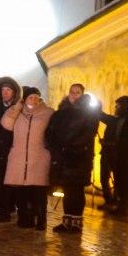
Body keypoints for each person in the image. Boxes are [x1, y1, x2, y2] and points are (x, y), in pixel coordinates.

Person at [46, 92, 100, 233]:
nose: (74, 96)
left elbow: (88, 134)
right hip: (64, 157)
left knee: (76, 190)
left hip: (79, 158)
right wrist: (56, 147)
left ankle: (76, 222)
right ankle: (67, 221)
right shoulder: (60, 114)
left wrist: (70, 146)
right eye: (72, 92)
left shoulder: (90, 115)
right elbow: (51, 132)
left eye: (78, 93)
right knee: (68, 190)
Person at [1, 86, 54, 230]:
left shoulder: (48, 113)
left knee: (39, 191)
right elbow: (6, 123)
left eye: (37, 97)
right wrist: (18, 106)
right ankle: (25, 218)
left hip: (39, 157)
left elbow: (54, 131)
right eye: (31, 97)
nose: (34, 100)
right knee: (22, 191)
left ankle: (41, 220)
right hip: (19, 157)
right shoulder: (17, 112)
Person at [0, 77, 21, 222]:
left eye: (8, 90)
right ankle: (2, 209)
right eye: (3, 90)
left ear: (14, 92)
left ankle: (9, 208)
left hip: (13, 149)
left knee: (12, 181)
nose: (5, 93)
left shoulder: (18, 109)